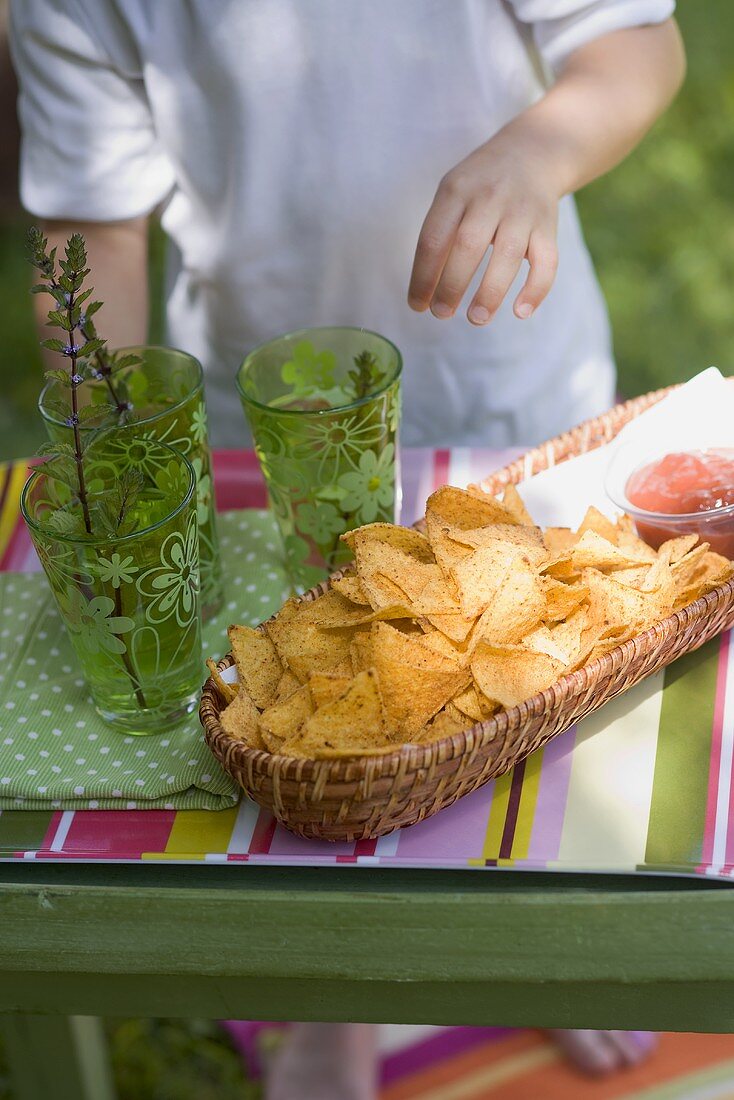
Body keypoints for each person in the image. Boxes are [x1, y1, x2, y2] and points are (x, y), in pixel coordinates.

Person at [9, 2, 685, 1096]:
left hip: (505, 390)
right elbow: (92, 219)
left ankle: (529, 958)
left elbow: (635, 47)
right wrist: (106, 442)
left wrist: (535, 150)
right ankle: (349, 998)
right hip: (270, 426)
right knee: (335, 735)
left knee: (526, 717)